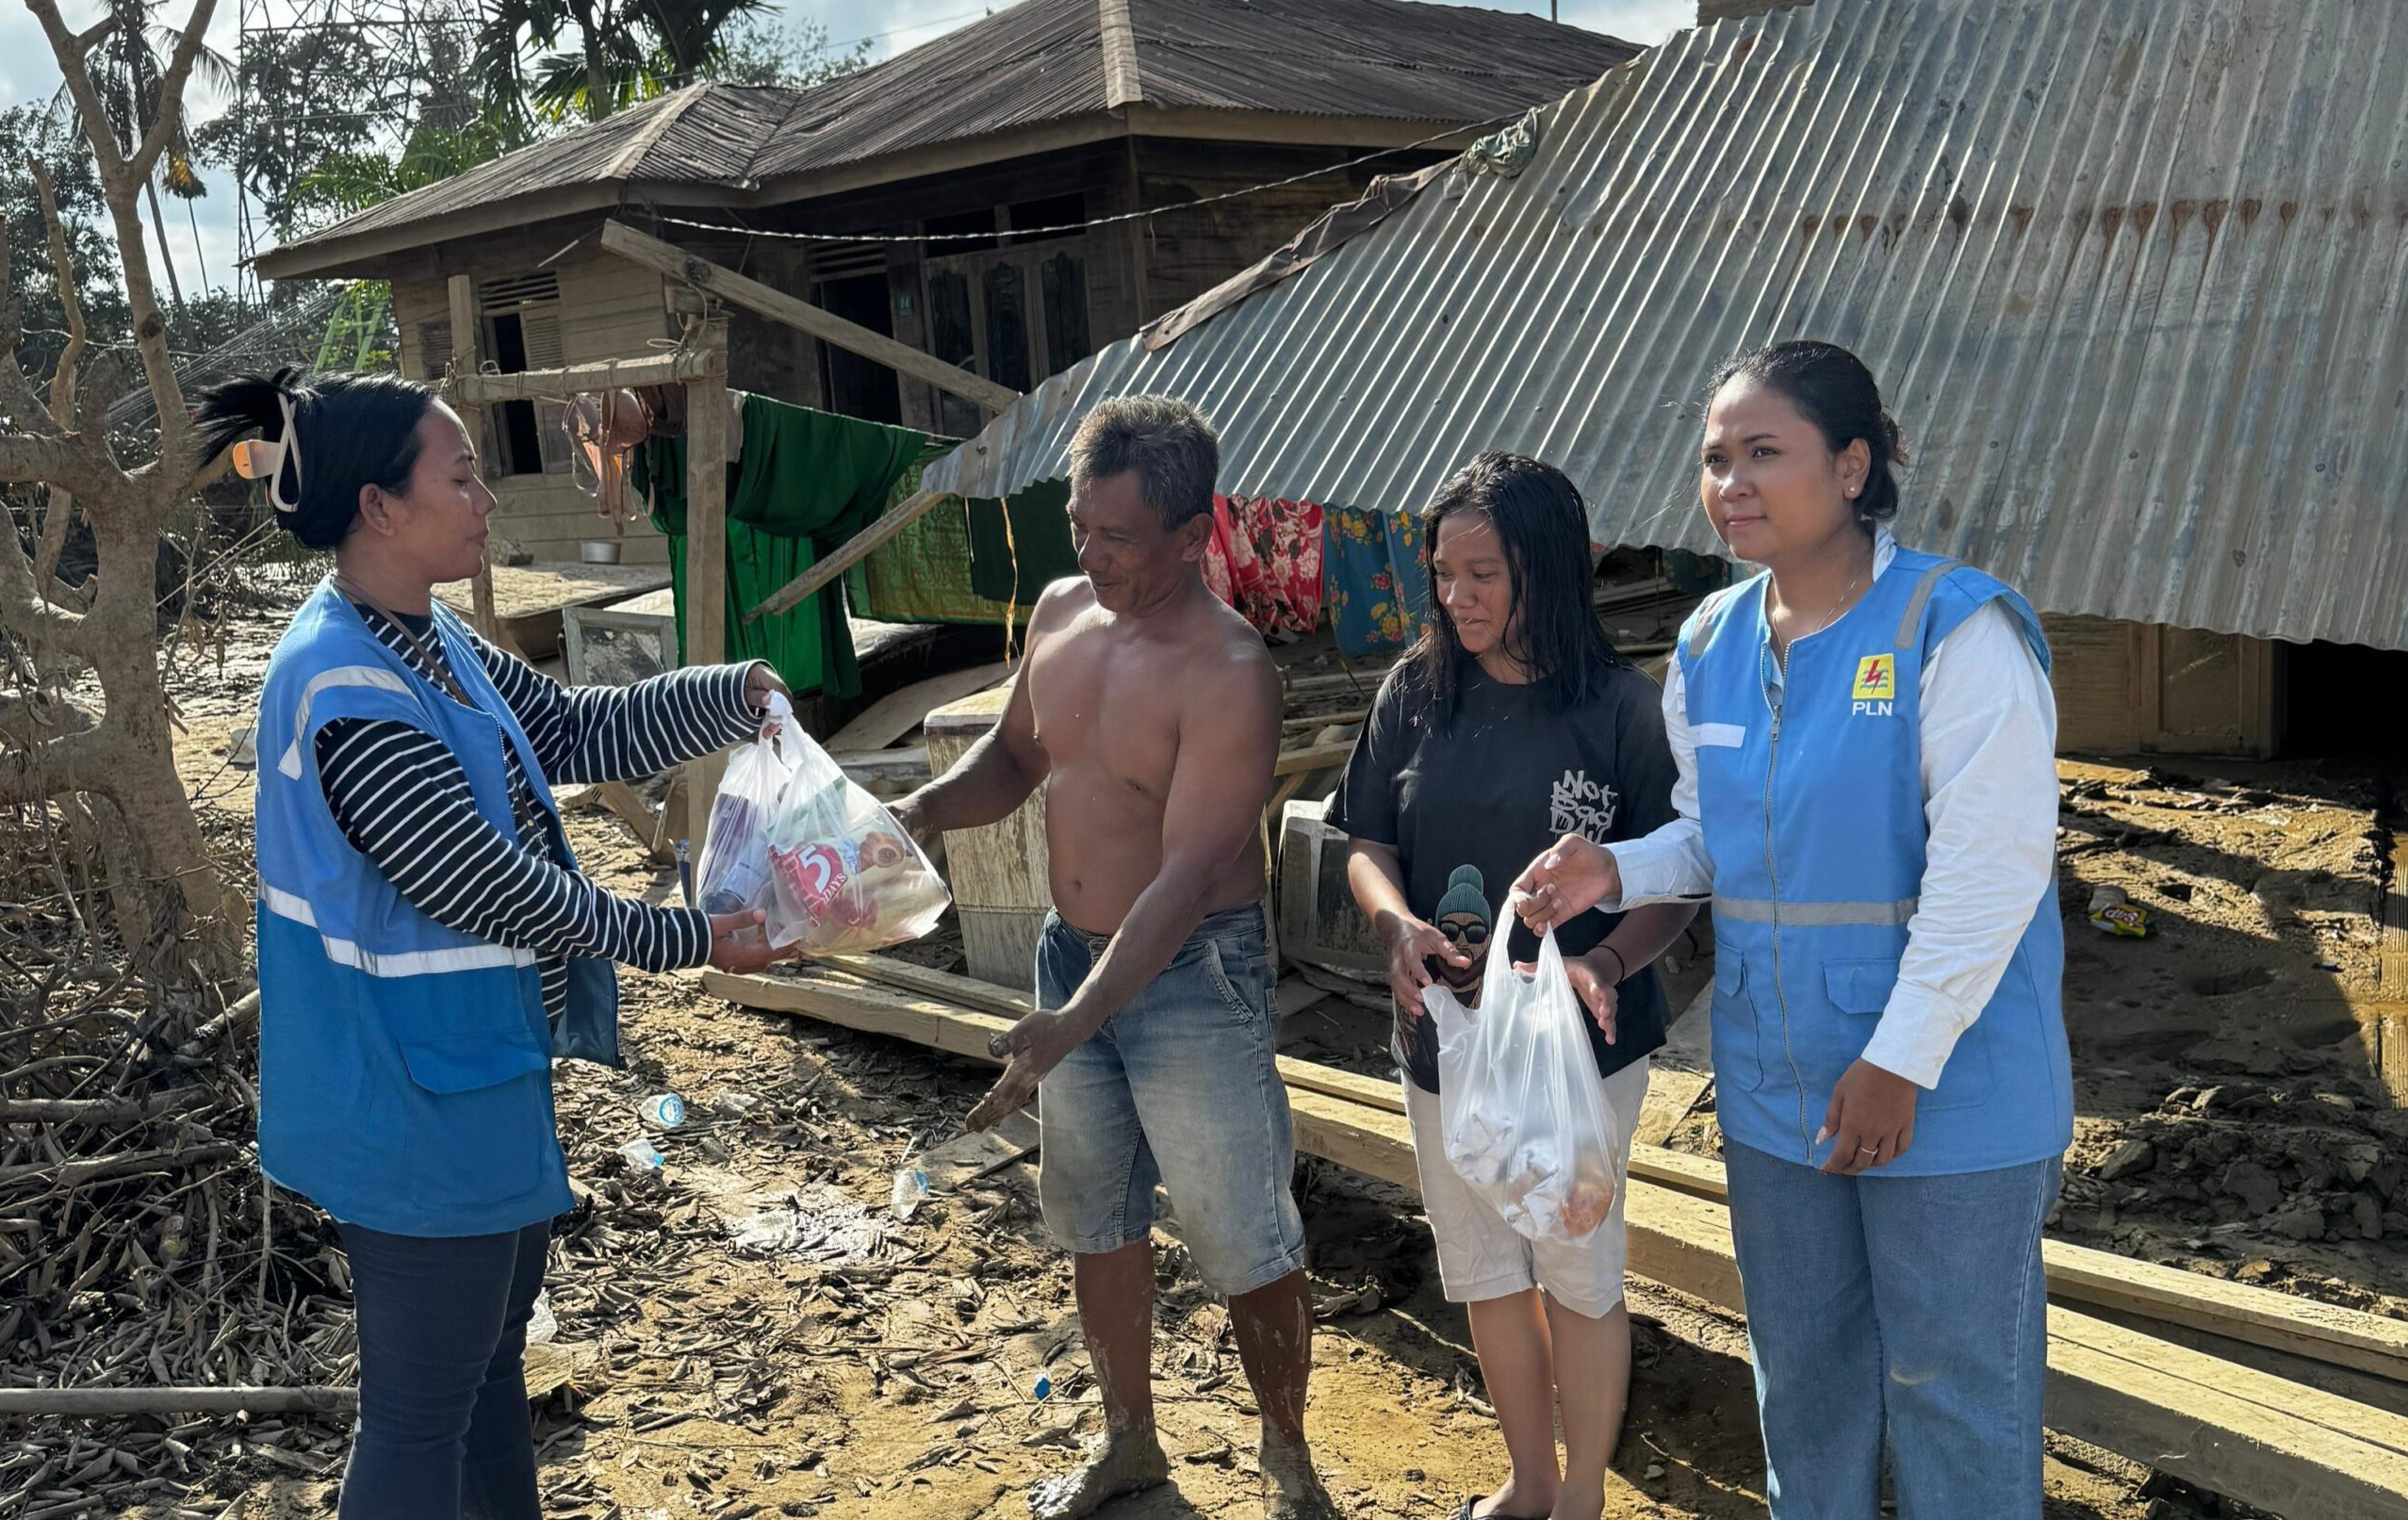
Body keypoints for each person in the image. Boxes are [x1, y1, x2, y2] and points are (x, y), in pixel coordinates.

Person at [193, 368, 795, 1520]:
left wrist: (732, 691)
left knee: (483, 1378)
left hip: (474, 1068)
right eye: (460, 476)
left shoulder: (429, 639)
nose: (485, 500)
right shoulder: (343, 685)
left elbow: (570, 725)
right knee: (422, 1412)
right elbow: (485, 886)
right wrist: (686, 937)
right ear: (379, 506)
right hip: (404, 1096)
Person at [1514, 341, 2070, 1518]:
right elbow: (1716, 836)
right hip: (1777, 1083)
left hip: (1947, 1086)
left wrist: (1897, 1058)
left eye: (1765, 453)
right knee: (1802, 1378)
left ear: (1855, 464)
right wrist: (1612, 865)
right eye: (1715, 458)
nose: (1731, 483)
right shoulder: (1711, 644)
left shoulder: (1953, 631)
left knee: (1952, 1384)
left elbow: (1992, 871)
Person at [889, 395, 1335, 1520]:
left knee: (1241, 1229)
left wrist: (1068, 1020)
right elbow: (1016, 755)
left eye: (1119, 537)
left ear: (1193, 537)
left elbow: (1185, 882)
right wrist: (915, 815)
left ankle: (1287, 1458)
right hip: (1069, 955)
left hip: (1193, 978)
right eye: (1081, 526)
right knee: (1095, 1213)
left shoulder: (1230, 672)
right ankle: (1130, 1441)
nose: (1091, 553)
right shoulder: (1059, 612)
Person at [1334, 452, 1695, 1520]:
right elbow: (1365, 838)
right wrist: (1394, 923)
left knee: (1576, 1264)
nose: (1458, 598)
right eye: (1444, 573)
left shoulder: (1620, 708)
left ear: (1545, 569)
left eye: (1483, 573)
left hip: (1583, 1045)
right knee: (1486, 1264)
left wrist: (1607, 959)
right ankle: (1528, 1481)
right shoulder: (1417, 691)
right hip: (1447, 1035)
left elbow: (1680, 877)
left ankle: (1582, 1491)